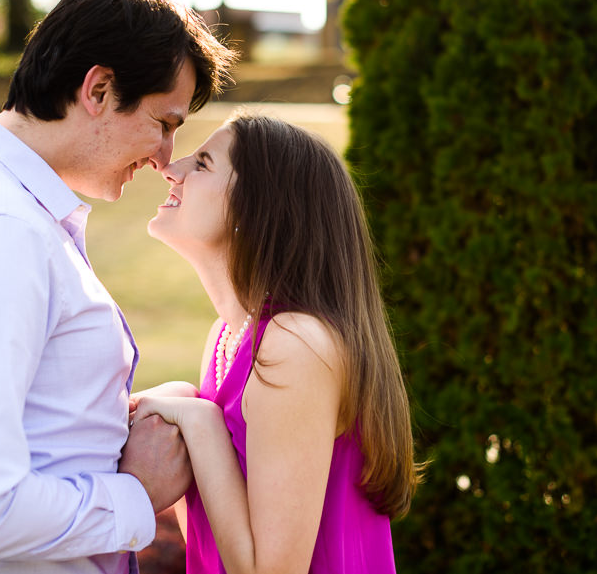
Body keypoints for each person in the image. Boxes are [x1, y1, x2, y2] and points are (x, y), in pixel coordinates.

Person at [0, 0, 236, 574]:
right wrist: (135, 494)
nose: (164, 158)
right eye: (164, 123)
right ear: (97, 90)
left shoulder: (9, 208)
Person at [136, 112, 421, 574]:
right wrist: (186, 410)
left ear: (257, 211)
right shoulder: (228, 338)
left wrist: (198, 420)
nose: (172, 168)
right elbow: (217, 541)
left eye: (203, 163)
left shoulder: (293, 345)